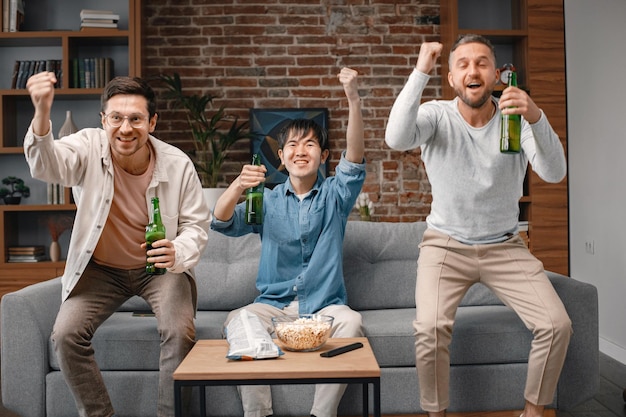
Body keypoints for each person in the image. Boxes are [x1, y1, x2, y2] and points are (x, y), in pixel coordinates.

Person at [384, 34, 573, 417]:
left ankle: (533, 412)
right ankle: (435, 414)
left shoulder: (515, 117)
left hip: (505, 245)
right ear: (452, 78)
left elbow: (554, 173)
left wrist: (535, 115)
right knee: (430, 329)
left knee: (557, 325)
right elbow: (395, 138)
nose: (473, 70)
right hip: (445, 246)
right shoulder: (436, 115)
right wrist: (421, 70)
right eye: (463, 64)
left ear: (497, 74)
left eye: (483, 62)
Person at [24, 72, 211, 417]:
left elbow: (197, 226)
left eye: (136, 119)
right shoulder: (87, 146)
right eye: (117, 118)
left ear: (152, 122)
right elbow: (46, 165)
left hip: (158, 270)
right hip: (101, 270)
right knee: (65, 336)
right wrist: (41, 113)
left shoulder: (178, 164)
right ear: (104, 120)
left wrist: (177, 251)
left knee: (179, 331)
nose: (126, 128)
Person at [210, 67, 365, 417]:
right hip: (274, 307)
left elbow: (354, 160)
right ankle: (259, 414)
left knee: (353, 323)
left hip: (325, 308)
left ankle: (320, 415)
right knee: (240, 319)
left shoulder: (335, 197)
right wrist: (237, 186)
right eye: (291, 145)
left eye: (310, 144)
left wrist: (353, 99)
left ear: (323, 156)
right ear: (280, 157)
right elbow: (220, 221)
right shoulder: (265, 200)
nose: (300, 150)